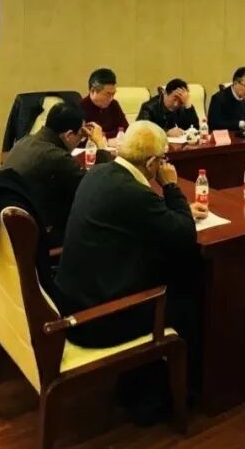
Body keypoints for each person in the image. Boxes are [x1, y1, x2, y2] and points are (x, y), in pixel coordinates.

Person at [54, 121, 207, 351]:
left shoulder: (98, 172)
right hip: (99, 320)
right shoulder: (135, 193)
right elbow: (185, 234)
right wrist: (171, 186)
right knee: (192, 292)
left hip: (72, 303)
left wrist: (172, 211)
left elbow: (137, 214)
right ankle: (182, 369)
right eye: (163, 159)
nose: (164, 164)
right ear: (152, 162)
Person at [3, 103, 112, 247]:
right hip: (39, 233)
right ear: (68, 135)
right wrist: (100, 145)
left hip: (9, 226)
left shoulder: (25, 141)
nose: (82, 139)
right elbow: (95, 188)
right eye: (81, 136)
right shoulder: (56, 157)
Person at [207, 66, 245, 130]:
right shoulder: (219, 98)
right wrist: (240, 124)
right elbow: (214, 124)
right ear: (235, 83)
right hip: (230, 134)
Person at [81, 68, 128, 138]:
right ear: (93, 91)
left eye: (113, 94)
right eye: (108, 94)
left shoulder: (114, 104)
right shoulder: (80, 109)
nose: (111, 98)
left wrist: (103, 135)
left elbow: (125, 129)